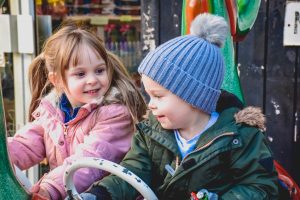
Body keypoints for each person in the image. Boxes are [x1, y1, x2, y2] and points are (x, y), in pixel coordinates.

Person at [78, 13, 279, 200]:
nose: (151, 105)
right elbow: (133, 170)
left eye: (158, 96)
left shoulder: (239, 138)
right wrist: (101, 192)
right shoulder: (151, 132)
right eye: (149, 96)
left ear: (193, 96)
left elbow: (260, 185)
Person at [7, 22, 147, 200]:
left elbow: (90, 160)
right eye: (81, 74)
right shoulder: (52, 114)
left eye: (99, 70)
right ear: (56, 80)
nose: (92, 80)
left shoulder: (115, 114)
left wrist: (50, 187)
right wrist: (6, 153)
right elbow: (27, 143)